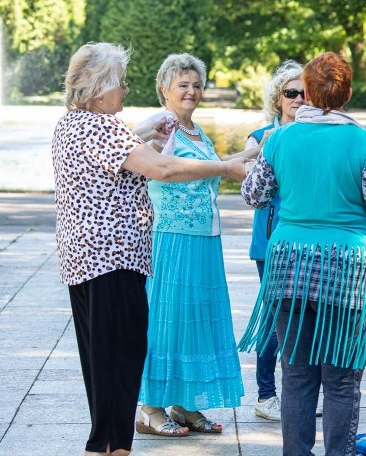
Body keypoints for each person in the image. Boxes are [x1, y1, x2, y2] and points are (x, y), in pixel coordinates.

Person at [239, 52, 366, 456]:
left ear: (309, 93)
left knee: (296, 376)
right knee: (341, 378)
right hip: (347, 270)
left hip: (289, 267)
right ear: (347, 93)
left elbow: (253, 194)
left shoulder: (279, 138)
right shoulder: (365, 142)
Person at [52, 42, 246, 456]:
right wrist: (226, 167)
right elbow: (164, 169)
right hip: (112, 261)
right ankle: (110, 446)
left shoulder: (72, 124)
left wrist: (145, 136)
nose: (124, 89)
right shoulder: (99, 128)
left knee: (104, 362)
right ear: (98, 86)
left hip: (85, 261)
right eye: (119, 82)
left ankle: (108, 442)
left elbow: (126, 156)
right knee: (120, 361)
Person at [136, 53, 260, 437]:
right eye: (182, 85)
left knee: (195, 319)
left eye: (196, 84)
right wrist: (227, 166)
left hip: (205, 239)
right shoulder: (161, 127)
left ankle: (185, 404)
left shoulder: (195, 131)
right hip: (172, 237)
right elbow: (164, 170)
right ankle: (150, 408)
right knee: (166, 320)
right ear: (164, 90)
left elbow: (217, 166)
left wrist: (258, 152)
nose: (191, 91)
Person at [244, 60, 311, 422]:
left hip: (311, 242)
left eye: (305, 92)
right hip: (271, 241)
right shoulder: (260, 137)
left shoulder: (317, 135)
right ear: (277, 98)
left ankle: (299, 394)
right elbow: (251, 191)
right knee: (274, 317)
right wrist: (266, 150)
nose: (299, 99)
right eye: (291, 93)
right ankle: (266, 395)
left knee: (306, 317)